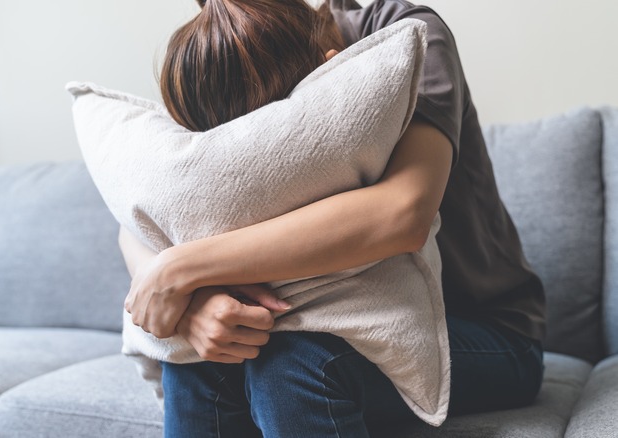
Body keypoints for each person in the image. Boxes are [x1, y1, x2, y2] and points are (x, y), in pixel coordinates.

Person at [118, 0, 546, 436]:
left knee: (294, 361)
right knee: (202, 359)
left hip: (484, 329)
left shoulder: (405, 33)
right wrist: (190, 305)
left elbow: (404, 213)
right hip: (313, 314)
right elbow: (145, 215)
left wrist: (182, 268)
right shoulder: (220, 55)